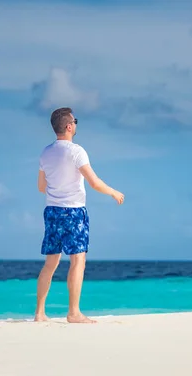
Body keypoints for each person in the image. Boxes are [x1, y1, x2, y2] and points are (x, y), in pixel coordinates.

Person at [34, 107, 124, 323]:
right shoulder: (76, 151)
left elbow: (41, 187)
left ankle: (39, 313)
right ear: (69, 126)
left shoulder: (46, 152)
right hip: (74, 211)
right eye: (75, 121)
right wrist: (113, 191)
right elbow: (93, 182)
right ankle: (73, 313)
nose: (76, 124)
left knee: (51, 263)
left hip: (52, 211)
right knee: (78, 261)